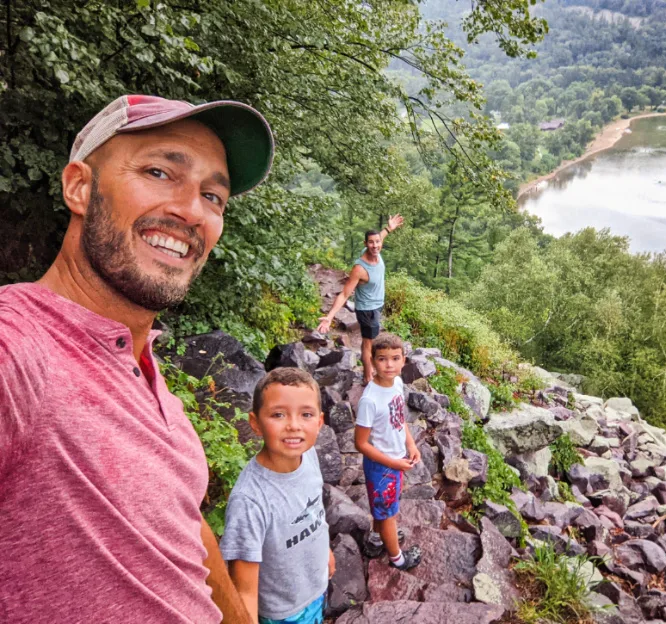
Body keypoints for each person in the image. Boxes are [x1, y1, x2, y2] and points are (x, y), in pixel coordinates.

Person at [0, 94, 274, 622]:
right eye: (159, 171)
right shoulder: (21, 346)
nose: (193, 211)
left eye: (214, 197)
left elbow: (183, 526)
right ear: (80, 186)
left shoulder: (144, 372)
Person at [221, 368, 334, 624]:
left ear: (319, 422)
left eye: (306, 414)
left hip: (316, 589)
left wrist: (325, 550)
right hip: (283, 614)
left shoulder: (309, 456)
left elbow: (315, 510)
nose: (293, 425)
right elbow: (245, 591)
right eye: (278, 414)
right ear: (255, 423)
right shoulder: (250, 501)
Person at [354, 332, 422, 570]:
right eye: (382, 359)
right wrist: (393, 464)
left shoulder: (397, 384)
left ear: (404, 360)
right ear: (372, 360)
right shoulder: (370, 400)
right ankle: (398, 558)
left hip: (396, 458)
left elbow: (399, 417)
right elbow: (360, 444)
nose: (389, 364)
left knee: (385, 508)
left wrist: (410, 444)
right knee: (388, 514)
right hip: (382, 466)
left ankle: (376, 538)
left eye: (395, 358)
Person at [316, 215, 403, 384]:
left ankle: (369, 373)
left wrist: (388, 228)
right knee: (369, 344)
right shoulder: (360, 268)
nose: (375, 245)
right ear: (365, 245)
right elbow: (344, 294)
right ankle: (368, 376)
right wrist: (330, 316)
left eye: (377, 242)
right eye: (371, 243)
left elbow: (380, 237)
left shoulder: (375, 249)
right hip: (367, 310)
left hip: (376, 306)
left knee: (369, 341)